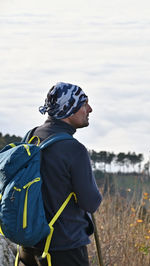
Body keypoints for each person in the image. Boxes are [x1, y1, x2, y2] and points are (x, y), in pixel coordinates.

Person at [18, 82, 103, 266]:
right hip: (64, 248)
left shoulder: (30, 137)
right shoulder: (74, 149)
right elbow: (90, 202)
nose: (90, 109)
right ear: (69, 109)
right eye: (84, 103)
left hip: (28, 246)